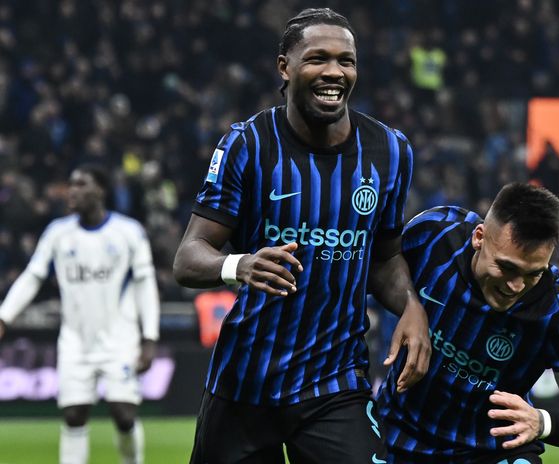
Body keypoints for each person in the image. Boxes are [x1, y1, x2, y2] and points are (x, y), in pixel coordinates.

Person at [173, 8, 431, 464]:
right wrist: (240, 265)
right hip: (246, 383)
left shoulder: (390, 151)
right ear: (285, 67)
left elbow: (385, 260)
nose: (334, 72)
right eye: (317, 58)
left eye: (346, 60)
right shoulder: (248, 145)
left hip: (335, 382)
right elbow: (189, 257)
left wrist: (411, 307)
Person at [376, 183, 559, 464]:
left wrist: (541, 422)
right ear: (479, 237)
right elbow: (377, 266)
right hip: (397, 436)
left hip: (491, 452)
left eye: (533, 274)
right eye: (506, 267)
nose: (516, 286)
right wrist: (409, 305)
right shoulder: (435, 235)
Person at [0, 164, 160, 464]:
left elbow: (145, 285)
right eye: (70, 184)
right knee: (74, 415)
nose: (72, 190)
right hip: (75, 340)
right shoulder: (58, 233)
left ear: (100, 190)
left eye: (81, 184)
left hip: (119, 338)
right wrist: (4, 316)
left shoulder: (128, 232)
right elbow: (32, 276)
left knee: (124, 414)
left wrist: (149, 337)